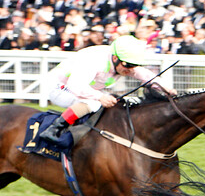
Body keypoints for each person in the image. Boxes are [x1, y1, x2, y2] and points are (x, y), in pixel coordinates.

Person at [39, 35, 177, 144]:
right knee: (94, 103)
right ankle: (53, 130)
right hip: (60, 87)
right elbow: (76, 86)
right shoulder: (95, 61)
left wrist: (167, 89)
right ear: (116, 58)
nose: (131, 70)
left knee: (113, 104)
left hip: (81, 88)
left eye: (135, 65)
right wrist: (100, 97)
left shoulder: (123, 62)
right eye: (129, 65)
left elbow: (145, 75)